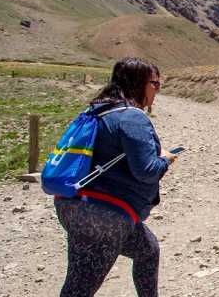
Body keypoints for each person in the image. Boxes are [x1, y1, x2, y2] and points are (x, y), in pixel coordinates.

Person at [54, 57, 175, 297]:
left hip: (73, 204)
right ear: (140, 83)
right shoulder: (132, 117)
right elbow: (147, 171)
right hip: (104, 215)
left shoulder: (96, 111)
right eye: (155, 84)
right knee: (79, 289)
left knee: (147, 250)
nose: (157, 90)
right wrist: (166, 159)